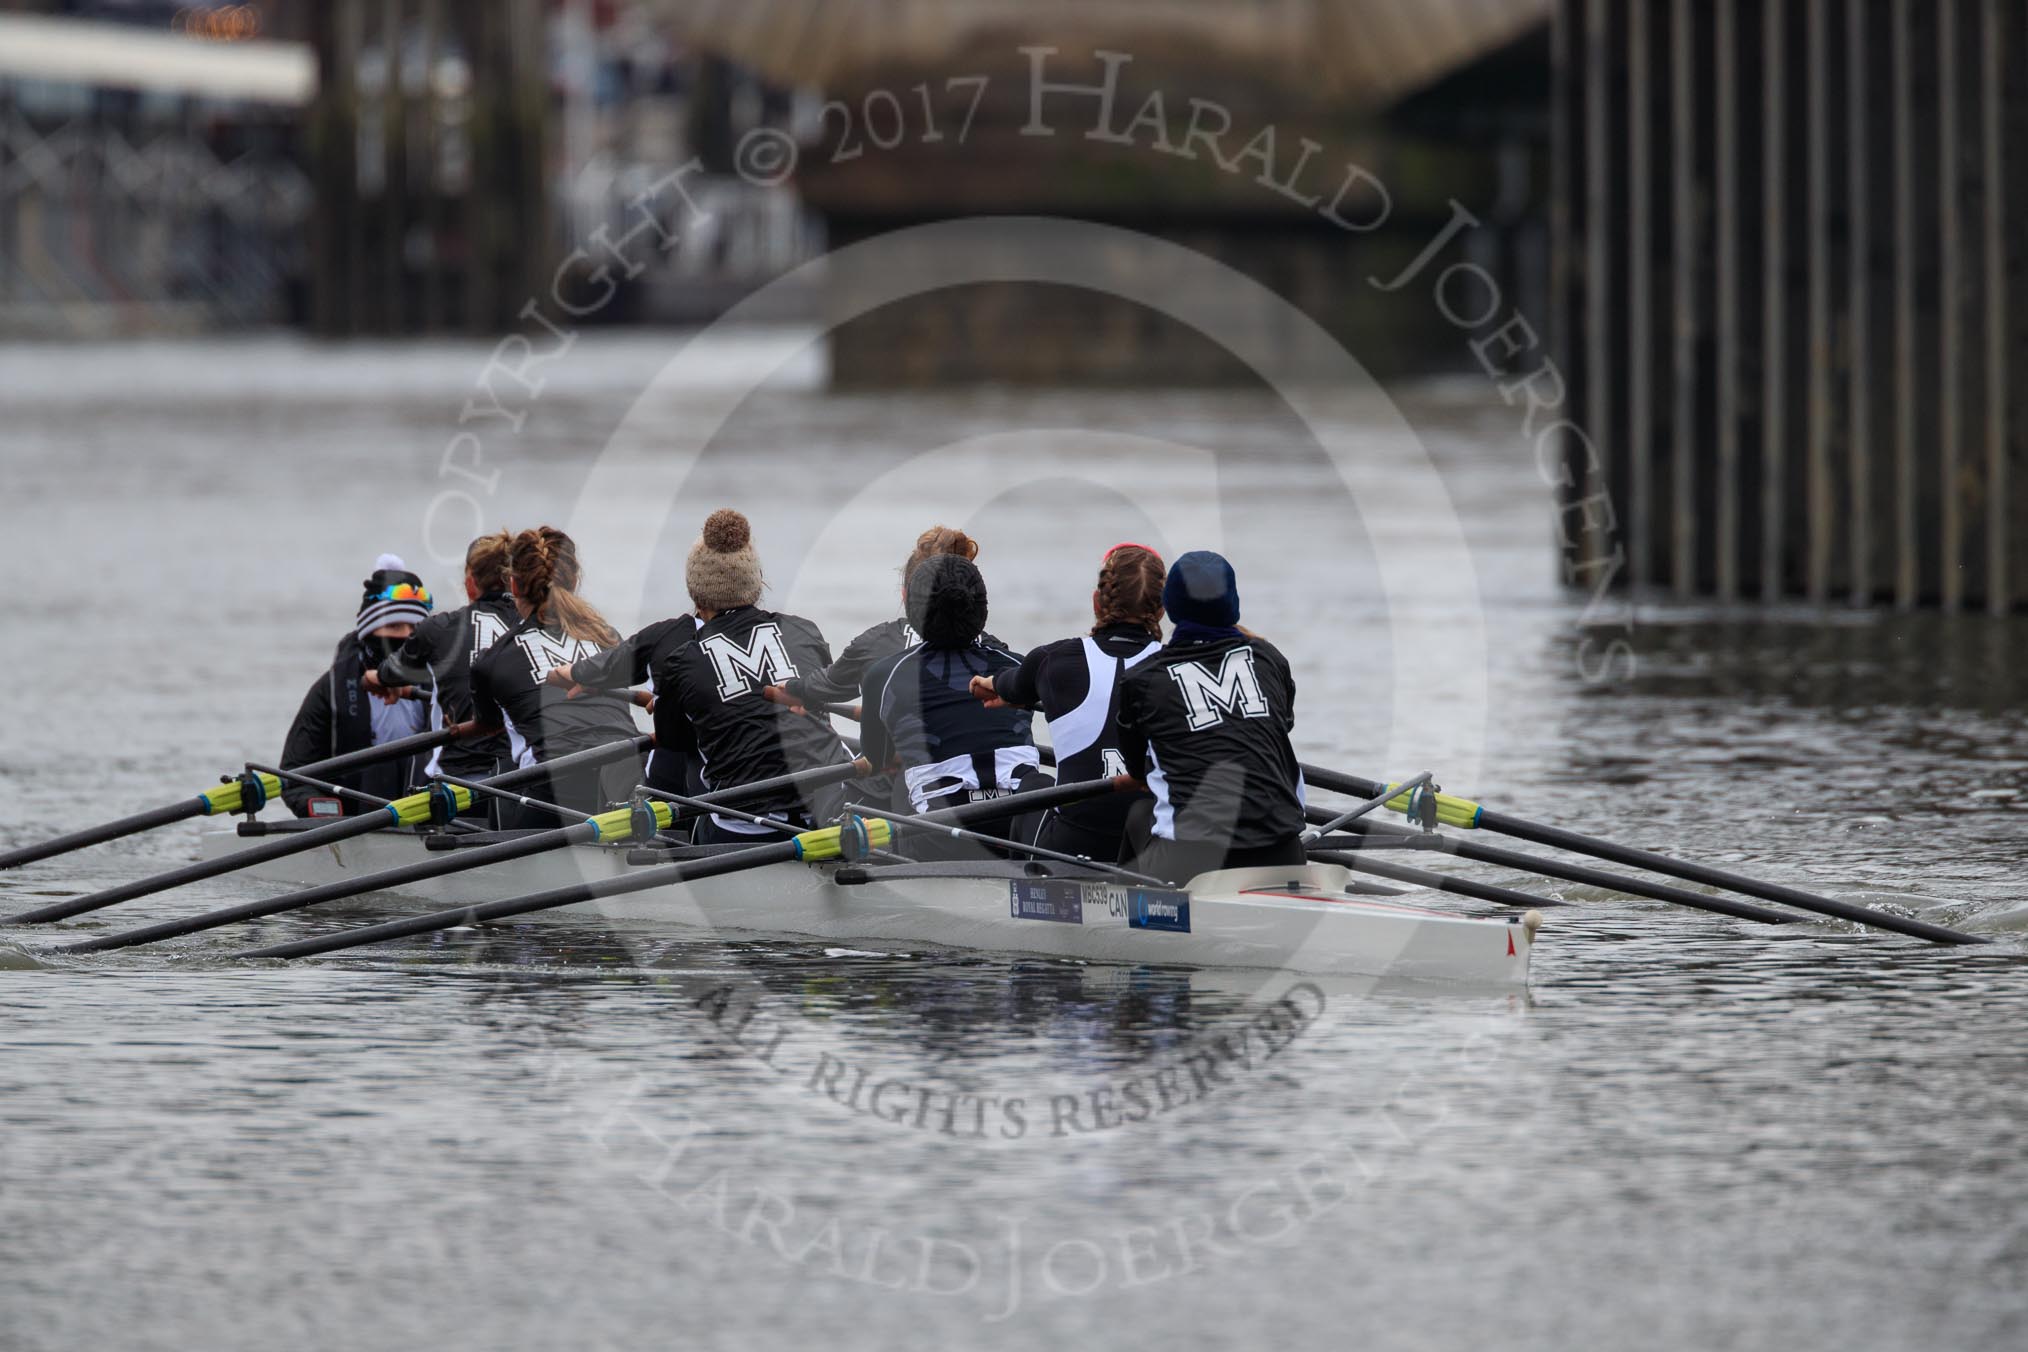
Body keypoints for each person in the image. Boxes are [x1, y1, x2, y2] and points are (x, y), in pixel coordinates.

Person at [639, 509, 853, 844]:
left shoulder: (681, 660)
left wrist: (672, 702)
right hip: (825, 822)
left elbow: (674, 743)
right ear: (756, 584)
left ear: (696, 595)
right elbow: (819, 711)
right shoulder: (805, 632)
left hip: (741, 830)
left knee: (689, 756)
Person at [1114, 550, 1307, 884]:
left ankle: (1121, 915)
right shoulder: (1269, 658)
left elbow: (1137, 770)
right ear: (1233, 603)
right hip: (1283, 853)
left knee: (1139, 812)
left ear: (1169, 607)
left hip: (1193, 864)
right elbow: (1281, 726)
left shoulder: (1141, 678)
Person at [969, 543, 1164, 862]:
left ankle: (1018, 893)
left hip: (1072, 847)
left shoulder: (1053, 660)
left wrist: (989, 685)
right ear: (1161, 610)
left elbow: (1010, 685)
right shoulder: (1179, 667)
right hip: (1149, 846)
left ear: (1097, 603)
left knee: (1033, 784)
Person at [859, 554, 1038, 858]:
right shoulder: (1020, 671)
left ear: (914, 612)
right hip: (1019, 826)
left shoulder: (883, 675)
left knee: (899, 778)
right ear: (982, 609)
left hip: (939, 837)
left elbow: (877, 759)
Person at [469, 526, 644, 828]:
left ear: (513, 584)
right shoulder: (609, 638)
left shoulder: (490, 663)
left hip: (558, 794)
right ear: (575, 580)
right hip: (630, 779)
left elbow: (489, 727)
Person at [764, 526, 991, 715]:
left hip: (904, 764)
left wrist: (794, 688)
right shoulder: (997, 652)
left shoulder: (875, 645)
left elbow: (821, 685)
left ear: (906, 595)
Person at [363, 530, 518, 803]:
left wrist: (374, 677)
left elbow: (389, 673)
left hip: (455, 781)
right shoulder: (536, 627)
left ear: (470, 582)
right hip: (519, 779)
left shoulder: (439, 628)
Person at [278, 555, 435, 817]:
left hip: (429, 816)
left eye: (415, 627)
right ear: (369, 631)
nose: (406, 635)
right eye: (395, 625)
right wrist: (320, 810)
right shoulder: (331, 689)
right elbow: (295, 773)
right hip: (356, 820)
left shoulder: (443, 682)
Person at [544, 611, 698, 797]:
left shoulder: (668, 633)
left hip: (674, 773)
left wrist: (577, 673)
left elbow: (612, 666)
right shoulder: (606, 633)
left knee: (623, 765)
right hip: (717, 771)